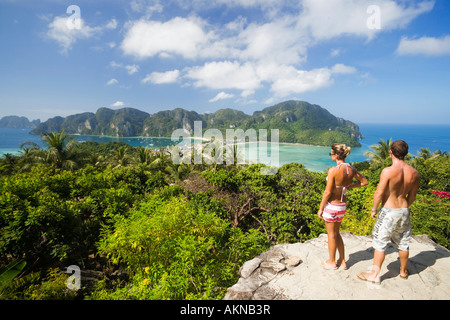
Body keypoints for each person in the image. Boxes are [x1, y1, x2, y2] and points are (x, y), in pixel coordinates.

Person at [357, 140, 419, 284]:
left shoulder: (388, 171)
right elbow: (413, 196)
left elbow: (379, 192)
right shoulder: (414, 173)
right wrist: (403, 207)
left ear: (390, 152)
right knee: (403, 242)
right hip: (404, 209)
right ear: (406, 153)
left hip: (389, 210)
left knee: (380, 242)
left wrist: (374, 209)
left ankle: (374, 274)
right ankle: (403, 271)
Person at [318, 143, 368, 270]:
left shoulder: (333, 170)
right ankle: (342, 260)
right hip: (342, 207)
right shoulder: (351, 169)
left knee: (331, 235)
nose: (330, 156)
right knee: (336, 233)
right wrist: (349, 186)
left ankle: (332, 262)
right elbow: (364, 182)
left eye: (331, 154)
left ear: (336, 155)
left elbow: (327, 192)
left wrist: (320, 208)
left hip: (332, 206)